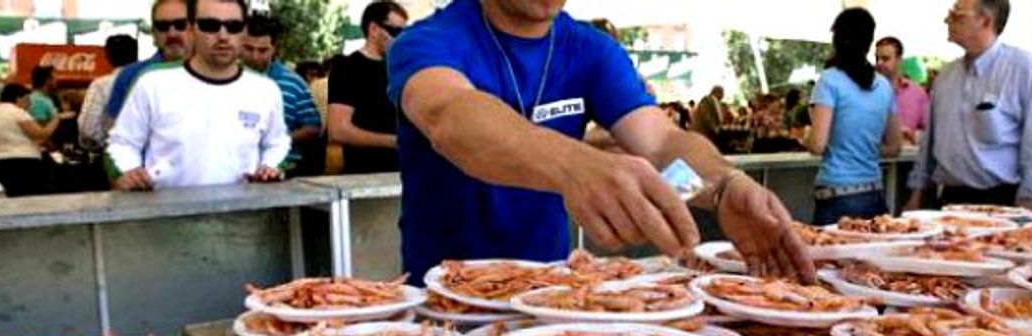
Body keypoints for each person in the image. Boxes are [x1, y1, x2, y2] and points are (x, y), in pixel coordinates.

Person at [386, 0, 813, 281]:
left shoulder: (592, 50)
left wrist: (721, 187)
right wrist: (577, 165)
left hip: (549, 291)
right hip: (443, 295)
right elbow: (450, 116)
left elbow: (660, 142)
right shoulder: (430, 40)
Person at [106, 0, 290, 190]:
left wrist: (269, 167)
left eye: (233, 27)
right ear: (191, 29)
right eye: (210, 25)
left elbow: (278, 144)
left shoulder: (266, 90)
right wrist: (127, 172)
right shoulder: (152, 83)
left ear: (244, 31)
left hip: (243, 215)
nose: (223, 36)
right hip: (165, 213)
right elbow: (121, 144)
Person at [906, 0, 1032, 210]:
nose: (947, 20)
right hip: (949, 199)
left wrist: (1028, 200)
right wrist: (917, 193)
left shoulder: (1027, 69)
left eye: (958, 15)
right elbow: (930, 142)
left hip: (1004, 200)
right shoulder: (947, 75)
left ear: (986, 21)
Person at [808, 8, 901, 225]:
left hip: (836, 194)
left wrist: (808, 137)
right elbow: (894, 147)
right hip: (874, 192)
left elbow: (817, 145)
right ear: (869, 43)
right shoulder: (883, 86)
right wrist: (862, 147)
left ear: (836, 40)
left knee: (829, 257)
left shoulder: (829, 80)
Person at [328, 1, 409, 174]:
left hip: (405, 175)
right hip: (365, 174)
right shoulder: (347, 67)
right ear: (373, 29)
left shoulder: (399, 69)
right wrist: (394, 141)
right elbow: (338, 130)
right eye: (396, 31)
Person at [242, 14, 323, 175]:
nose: (254, 57)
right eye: (248, 49)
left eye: (263, 50)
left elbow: (313, 127)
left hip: (282, 169)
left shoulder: (292, 83)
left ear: (274, 48)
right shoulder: (224, 79)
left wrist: (279, 141)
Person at [105, 0, 193, 124]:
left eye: (180, 24)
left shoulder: (216, 72)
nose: (172, 33)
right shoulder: (130, 77)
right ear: (154, 33)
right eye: (163, 26)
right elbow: (114, 133)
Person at [0, 84, 62, 197]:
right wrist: (56, 119)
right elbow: (41, 135)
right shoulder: (19, 113)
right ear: (18, 98)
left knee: (14, 196)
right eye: (28, 99)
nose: (30, 104)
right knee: (30, 197)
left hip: (0, 162)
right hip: (25, 162)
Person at [78, 34, 139, 150]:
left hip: (115, 156)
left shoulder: (101, 85)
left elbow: (87, 129)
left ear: (109, 57)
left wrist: (104, 143)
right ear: (136, 55)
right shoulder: (152, 82)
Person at [875, 36, 929, 142]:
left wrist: (911, 134)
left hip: (909, 156)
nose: (879, 63)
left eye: (885, 59)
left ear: (900, 60)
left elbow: (930, 132)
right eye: (877, 58)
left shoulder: (917, 93)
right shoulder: (864, 91)